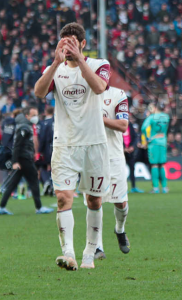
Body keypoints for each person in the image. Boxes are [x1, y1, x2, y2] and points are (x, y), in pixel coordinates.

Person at [33, 22, 112, 271]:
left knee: (94, 201)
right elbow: (38, 92)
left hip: (94, 143)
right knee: (63, 198)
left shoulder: (100, 64)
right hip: (65, 144)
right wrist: (56, 63)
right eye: (64, 41)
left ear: (83, 44)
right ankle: (68, 253)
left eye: (72, 42)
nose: (67, 46)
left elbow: (99, 88)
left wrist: (80, 60)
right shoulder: (54, 69)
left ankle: (90, 250)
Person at [93, 86, 131, 260]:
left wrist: (99, 119)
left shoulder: (118, 94)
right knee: (95, 201)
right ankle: (97, 247)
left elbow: (123, 125)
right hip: (92, 156)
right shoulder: (84, 93)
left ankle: (119, 229)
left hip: (114, 156)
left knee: (121, 204)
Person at [0, 107, 54, 215]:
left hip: (23, 158)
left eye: (36, 114)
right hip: (24, 159)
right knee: (34, 181)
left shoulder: (26, 126)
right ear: (27, 116)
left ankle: (1, 207)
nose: (36, 117)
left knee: (13, 184)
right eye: (33, 115)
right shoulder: (24, 127)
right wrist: (15, 162)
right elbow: (17, 145)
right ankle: (39, 207)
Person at [142, 103, 170, 194]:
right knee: (162, 165)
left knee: (154, 165)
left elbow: (143, 128)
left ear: (154, 108)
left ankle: (156, 188)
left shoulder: (152, 117)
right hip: (163, 141)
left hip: (154, 143)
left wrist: (147, 138)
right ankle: (165, 187)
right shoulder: (166, 117)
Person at [37, 106, 55, 196]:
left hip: (48, 148)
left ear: (46, 112)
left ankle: (48, 182)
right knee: (55, 167)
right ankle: (53, 185)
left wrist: (39, 150)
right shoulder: (57, 121)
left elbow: (43, 137)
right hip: (58, 147)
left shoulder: (44, 123)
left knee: (45, 166)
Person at [124, 115, 142, 193]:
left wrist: (132, 147)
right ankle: (122, 188)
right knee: (120, 171)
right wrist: (122, 148)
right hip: (121, 151)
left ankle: (133, 187)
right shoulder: (118, 126)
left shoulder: (129, 125)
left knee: (132, 169)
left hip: (130, 151)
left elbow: (134, 137)